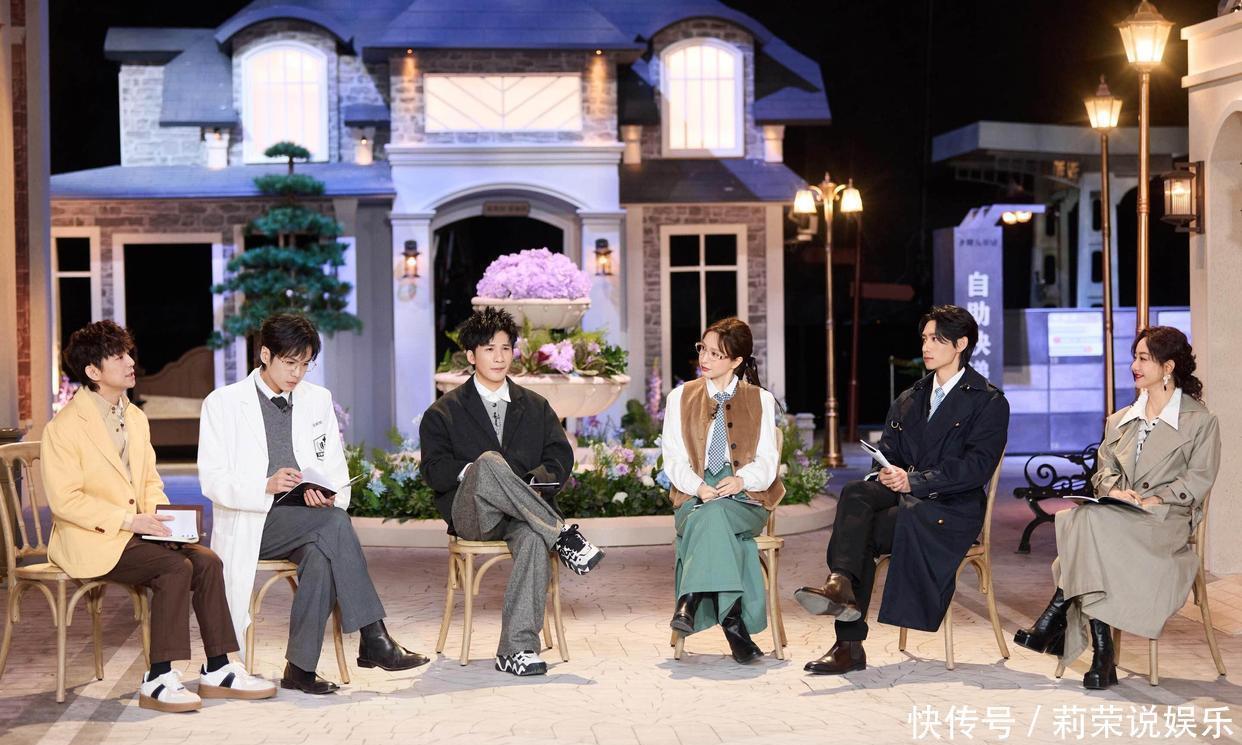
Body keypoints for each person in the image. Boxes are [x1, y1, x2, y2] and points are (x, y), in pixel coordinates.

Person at [40, 321, 274, 712]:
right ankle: (158, 678)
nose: (131, 362)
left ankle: (218, 667)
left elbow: (149, 481)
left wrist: (165, 523)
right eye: (119, 357)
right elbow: (65, 501)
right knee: (173, 568)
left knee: (207, 561)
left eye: (128, 354)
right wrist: (129, 521)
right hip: (90, 539)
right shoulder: (63, 428)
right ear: (93, 371)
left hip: (136, 534)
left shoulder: (134, 417)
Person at [199, 313, 427, 696]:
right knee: (334, 525)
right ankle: (373, 636)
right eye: (290, 362)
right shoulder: (223, 403)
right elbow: (213, 479)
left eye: (305, 364)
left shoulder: (317, 399)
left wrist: (324, 492)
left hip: (306, 520)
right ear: (265, 355)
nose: (298, 373)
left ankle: (300, 668)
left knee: (322, 552)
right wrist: (265, 485)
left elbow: (333, 467)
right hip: (254, 521)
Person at [794, 305, 1009, 674]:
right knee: (856, 493)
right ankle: (839, 583)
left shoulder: (988, 401)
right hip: (905, 494)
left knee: (862, 531)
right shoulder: (911, 397)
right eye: (924, 338)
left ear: (961, 344)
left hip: (950, 509)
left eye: (936, 339)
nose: (926, 346)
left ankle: (848, 642)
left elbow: (975, 468)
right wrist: (884, 473)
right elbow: (888, 453)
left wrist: (916, 481)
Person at [1013, 326, 1220, 690]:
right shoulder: (1120, 419)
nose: (1134, 366)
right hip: (1119, 515)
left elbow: (1199, 478)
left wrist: (1156, 498)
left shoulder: (1200, 421)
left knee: (1084, 523)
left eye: (1143, 358)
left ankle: (1057, 615)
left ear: (1168, 366)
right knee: (1085, 518)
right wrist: (1114, 491)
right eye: (1134, 357)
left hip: (1164, 521)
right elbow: (1103, 470)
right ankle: (1102, 654)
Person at [419, 306, 604, 676]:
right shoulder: (443, 412)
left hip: (523, 517)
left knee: (534, 539)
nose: (499, 357)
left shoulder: (535, 406)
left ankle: (516, 650)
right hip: (474, 516)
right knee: (488, 462)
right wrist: (477, 473)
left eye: (505, 348)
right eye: (489, 349)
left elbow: (559, 456)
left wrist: (531, 483)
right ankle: (562, 535)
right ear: (471, 355)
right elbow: (434, 470)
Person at [661, 318, 784, 663]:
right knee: (712, 516)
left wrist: (742, 480)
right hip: (693, 496)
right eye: (703, 349)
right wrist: (699, 487)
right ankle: (733, 624)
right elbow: (673, 459)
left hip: (746, 498)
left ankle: (690, 599)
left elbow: (767, 461)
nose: (705, 358)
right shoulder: (679, 397)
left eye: (716, 354)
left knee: (714, 516)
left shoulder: (760, 399)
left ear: (736, 361)